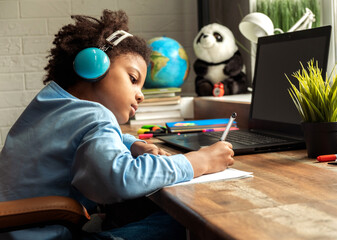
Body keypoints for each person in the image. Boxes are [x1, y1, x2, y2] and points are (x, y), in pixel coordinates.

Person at [0, 9, 234, 240]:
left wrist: (132, 143)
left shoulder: (50, 101)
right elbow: (123, 179)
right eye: (133, 79)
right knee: (178, 224)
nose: (140, 95)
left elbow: (69, 135)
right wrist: (196, 162)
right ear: (95, 67)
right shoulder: (96, 116)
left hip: (13, 231)